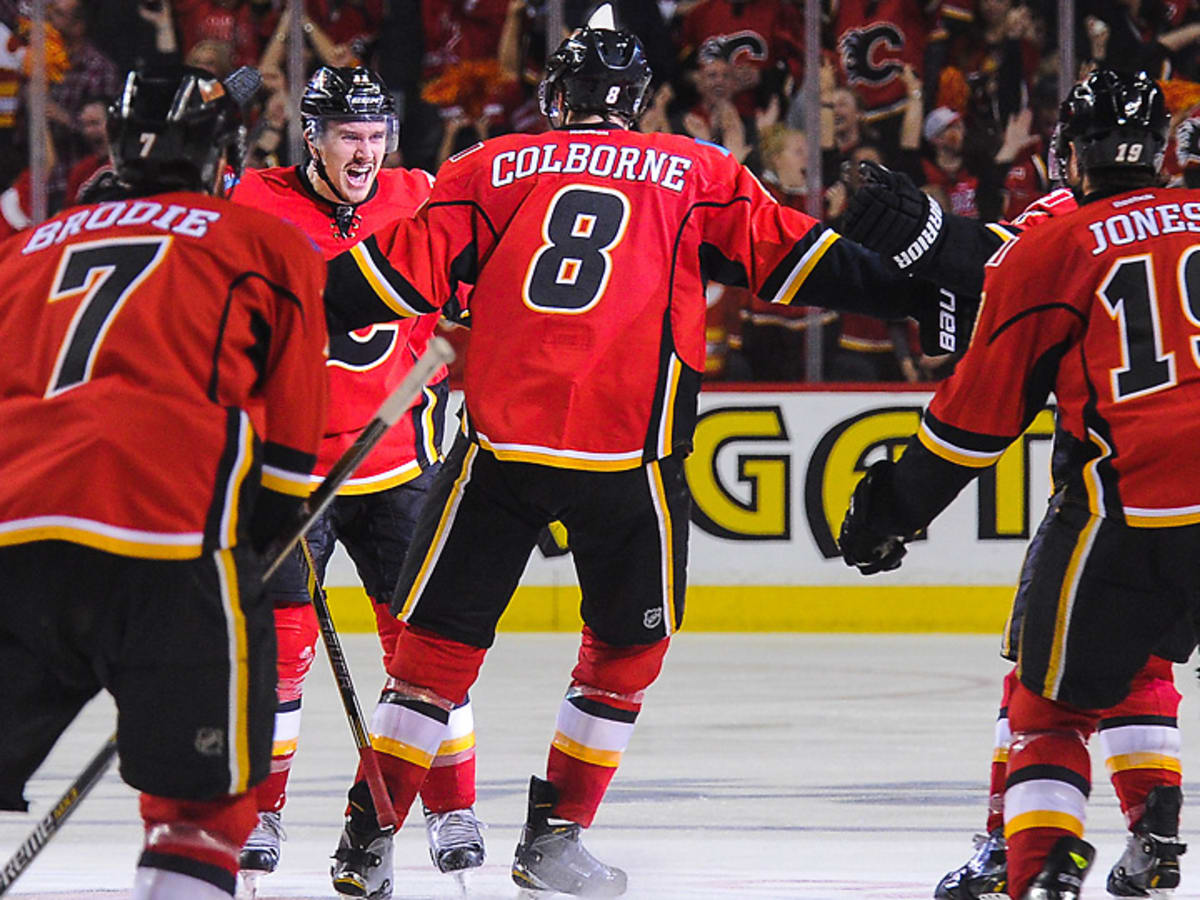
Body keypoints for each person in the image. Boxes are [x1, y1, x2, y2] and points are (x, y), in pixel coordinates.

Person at [316, 6, 948, 896]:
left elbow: (381, 280)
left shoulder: (487, 167)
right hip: (630, 464)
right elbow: (801, 263)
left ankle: (364, 843)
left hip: (500, 456)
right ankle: (555, 839)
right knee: (623, 657)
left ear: (557, 94)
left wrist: (265, 319)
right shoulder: (697, 171)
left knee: (429, 660)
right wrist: (925, 291)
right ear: (638, 101)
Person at [838, 68, 1198, 900]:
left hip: (1124, 501)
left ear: (1070, 152)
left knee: (1043, 697)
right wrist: (939, 240)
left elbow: (977, 411)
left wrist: (891, 508)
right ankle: (1156, 832)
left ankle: (1028, 863)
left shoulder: (1058, 237)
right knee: (1141, 663)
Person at [0, 64, 328, 900]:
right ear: (221, 154)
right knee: (200, 811)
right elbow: (293, 440)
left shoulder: (22, 251)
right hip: (170, 541)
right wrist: (267, 527)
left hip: (13, 545)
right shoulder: (262, 242)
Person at [228, 66, 484, 893]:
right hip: (293, 470)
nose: (365, 153)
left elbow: (477, 277)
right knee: (283, 651)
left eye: (376, 137)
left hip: (400, 466)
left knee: (424, 652)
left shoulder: (421, 192)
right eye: (348, 136)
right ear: (312, 136)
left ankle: (451, 808)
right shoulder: (253, 200)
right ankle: (262, 811)